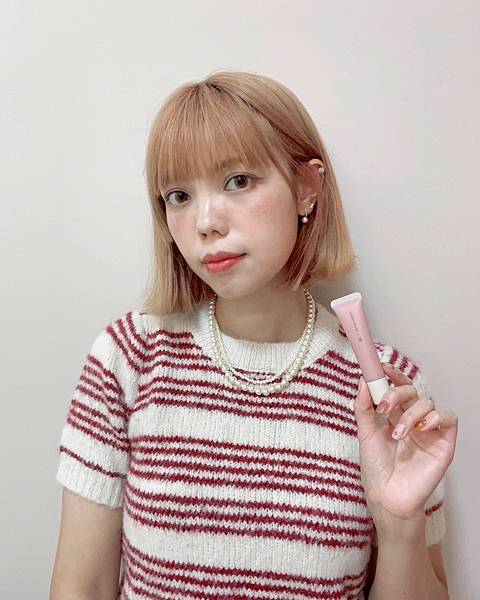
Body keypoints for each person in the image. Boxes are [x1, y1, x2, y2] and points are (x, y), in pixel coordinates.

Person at [50, 70, 457, 600]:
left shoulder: (383, 392)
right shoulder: (129, 358)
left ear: (306, 188)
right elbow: (81, 586)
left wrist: (400, 527)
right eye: (178, 195)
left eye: (238, 181)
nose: (205, 223)